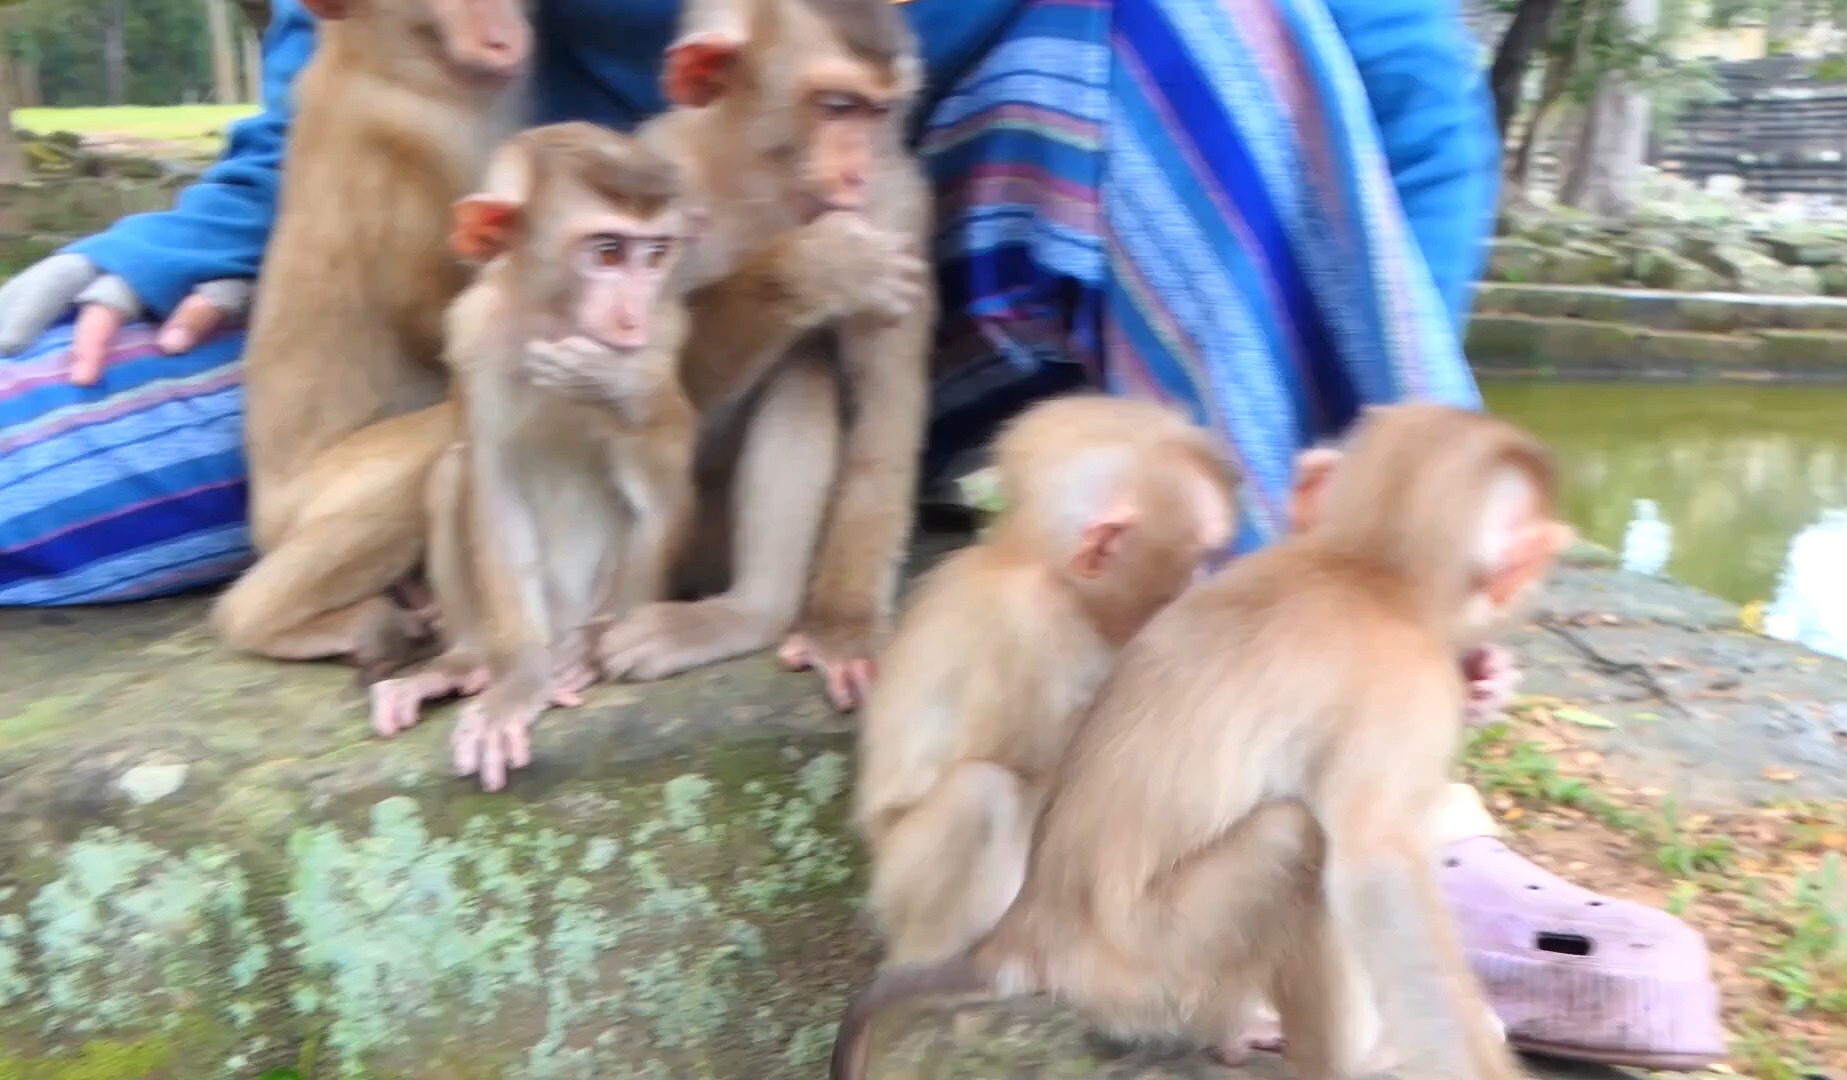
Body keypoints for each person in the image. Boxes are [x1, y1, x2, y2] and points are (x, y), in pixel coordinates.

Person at [0, 0, 1723, 1067]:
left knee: (1213, 29)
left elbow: (1394, 73)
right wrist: (231, 229)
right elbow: (370, 22)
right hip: (555, 265)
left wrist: (1394, 517)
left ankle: (1346, 792)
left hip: (957, 245)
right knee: (39, 471)